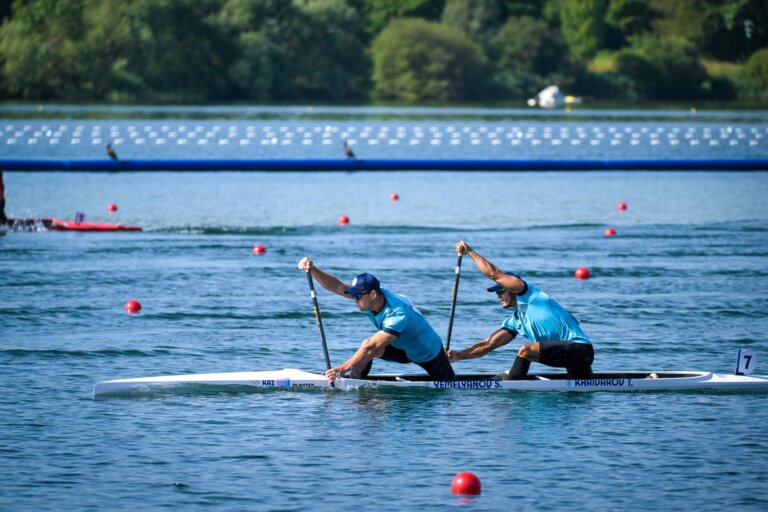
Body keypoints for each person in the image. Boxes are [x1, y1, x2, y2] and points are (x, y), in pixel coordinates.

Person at [447, 241, 594, 380]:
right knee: (581, 390)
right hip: (567, 358)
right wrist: (459, 355)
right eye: (496, 293)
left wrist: (470, 251)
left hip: (581, 350)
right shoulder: (515, 321)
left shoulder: (529, 294)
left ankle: (512, 388)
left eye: (501, 291)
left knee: (526, 350)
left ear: (512, 289)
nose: (499, 296)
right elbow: (488, 344)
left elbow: (493, 274)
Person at [298, 257, 455, 383]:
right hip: (402, 349)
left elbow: (371, 348)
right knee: (367, 345)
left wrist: (338, 369)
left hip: (429, 352)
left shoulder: (396, 316)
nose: (354, 300)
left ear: (372, 294)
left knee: (450, 388)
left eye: (357, 296)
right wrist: (314, 270)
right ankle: (354, 382)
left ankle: (343, 377)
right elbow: (337, 287)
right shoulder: (373, 297)